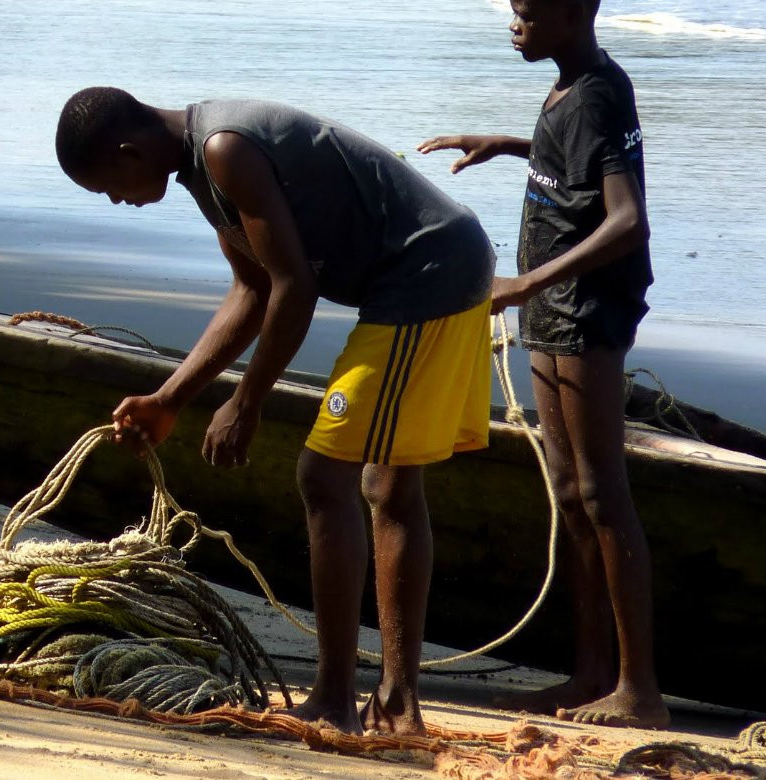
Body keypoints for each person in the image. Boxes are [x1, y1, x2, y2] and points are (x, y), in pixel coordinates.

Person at [55, 87, 496, 735]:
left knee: (328, 476)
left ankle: (337, 699)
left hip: (425, 273)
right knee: (387, 483)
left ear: (129, 151)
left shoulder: (225, 148)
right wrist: (169, 397)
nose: (117, 201)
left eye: (109, 188)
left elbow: (295, 285)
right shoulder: (203, 166)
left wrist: (247, 400)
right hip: (431, 270)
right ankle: (397, 705)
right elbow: (252, 287)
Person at [418, 0, 669, 729]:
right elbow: (580, 166)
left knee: (602, 493)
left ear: (573, 14)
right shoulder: (567, 90)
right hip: (552, 316)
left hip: (585, 313)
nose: (514, 29)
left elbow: (627, 220)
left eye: (527, 17)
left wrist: (523, 284)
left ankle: (641, 690)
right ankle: (590, 670)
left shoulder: (598, 91)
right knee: (567, 491)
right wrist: (511, 144)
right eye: (511, 14)